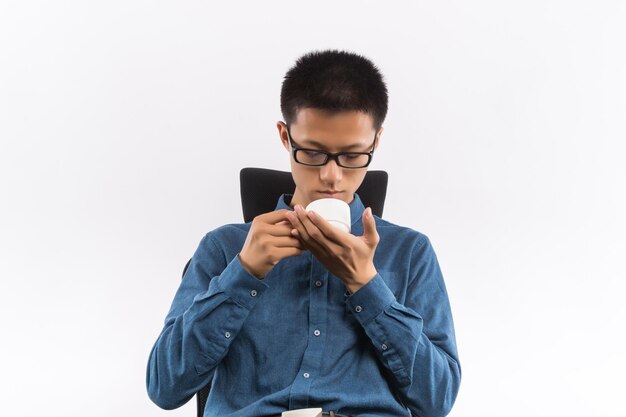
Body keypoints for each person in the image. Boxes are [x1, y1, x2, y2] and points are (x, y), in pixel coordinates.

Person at [146, 49, 461, 417]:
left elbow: (438, 400)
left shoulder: (409, 252)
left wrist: (367, 285)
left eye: (352, 155)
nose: (331, 176)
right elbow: (164, 388)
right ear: (285, 136)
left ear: (375, 142)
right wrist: (243, 273)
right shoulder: (225, 247)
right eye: (312, 153)